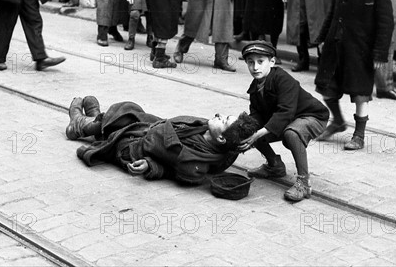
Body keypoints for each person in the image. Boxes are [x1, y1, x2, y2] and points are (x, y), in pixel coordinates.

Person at [66, 96, 260, 185]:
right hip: (148, 129)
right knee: (130, 109)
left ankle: (79, 123)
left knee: (118, 124)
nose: (220, 114)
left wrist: (150, 166)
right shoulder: (209, 131)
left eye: (224, 120)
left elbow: (172, 171)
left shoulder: (193, 165)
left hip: (131, 148)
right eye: (226, 115)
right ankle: (94, 118)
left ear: (220, 138)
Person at [314, 0, 394, 151]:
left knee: (360, 94)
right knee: (327, 89)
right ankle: (338, 121)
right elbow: (332, 12)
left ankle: (359, 135)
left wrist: (379, 54)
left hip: (360, 51)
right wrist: (322, 38)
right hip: (335, 46)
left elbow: (386, 25)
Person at [238, 41, 329, 202]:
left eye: (260, 61)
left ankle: (303, 182)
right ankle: (275, 166)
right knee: (251, 129)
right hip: (290, 119)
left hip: (312, 116)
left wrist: (260, 132)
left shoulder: (283, 79)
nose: (255, 67)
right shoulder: (256, 86)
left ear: (272, 62)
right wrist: (244, 129)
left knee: (291, 134)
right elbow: (257, 114)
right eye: (250, 62)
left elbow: (285, 112)